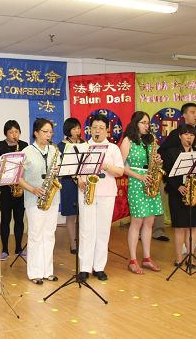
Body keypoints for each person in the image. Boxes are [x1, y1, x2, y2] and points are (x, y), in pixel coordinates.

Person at [77, 114, 124, 282]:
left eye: (101, 128)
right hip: (87, 192)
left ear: (107, 130)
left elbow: (120, 171)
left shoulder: (113, 149)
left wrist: (105, 165)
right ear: (89, 129)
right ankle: (84, 268)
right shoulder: (82, 147)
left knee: (103, 231)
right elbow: (75, 170)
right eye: (94, 128)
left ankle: (99, 267)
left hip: (106, 192)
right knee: (86, 230)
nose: (97, 131)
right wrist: (80, 181)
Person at [158, 102, 196, 252]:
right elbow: (165, 154)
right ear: (184, 115)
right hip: (178, 183)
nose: (195, 115)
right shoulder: (176, 134)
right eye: (192, 112)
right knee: (181, 221)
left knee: (195, 219)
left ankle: (195, 242)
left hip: (194, 181)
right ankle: (181, 245)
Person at [17, 118, 60, 285]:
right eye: (45, 132)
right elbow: (18, 178)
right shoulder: (26, 152)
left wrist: (57, 171)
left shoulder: (54, 150)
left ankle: (47, 271)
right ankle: (35, 272)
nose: (48, 135)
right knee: (35, 235)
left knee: (49, 234)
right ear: (36, 132)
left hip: (53, 197)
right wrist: (33, 189)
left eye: (50, 132)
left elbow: (61, 171)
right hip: (34, 198)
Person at [120, 112, 163, 274]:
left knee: (149, 222)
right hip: (137, 183)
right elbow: (121, 166)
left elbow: (153, 160)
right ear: (135, 123)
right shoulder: (127, 140)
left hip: (151, 181)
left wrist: (158, 160)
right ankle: (132, 260)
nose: (147, 125)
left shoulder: (150, 141)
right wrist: (139, 176)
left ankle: (146, 258)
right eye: (143, 122)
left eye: (148, 123)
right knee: (137, 222)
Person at [162, 125, 196, 267]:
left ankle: (191, 258)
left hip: (194, 192)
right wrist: (178, 186)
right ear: (180, 136)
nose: (189, 137)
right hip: (178, 193)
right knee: (180, 227)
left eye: (192, 135)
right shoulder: (171, 152)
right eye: (186, 134)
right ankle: (178, 259)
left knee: (194, 227)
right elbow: (167, 173)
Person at [0, 120, 28, 261]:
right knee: (6, 219)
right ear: (5, 133)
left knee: (19, 219)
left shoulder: (25, 146)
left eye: (16, 132)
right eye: (11, 132)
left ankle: (19, 248)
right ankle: (5, 249)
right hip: (5, 189)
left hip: (20, 187)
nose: (14, 135)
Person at [57, 118, 85, 255]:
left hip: (84, 182)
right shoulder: (60, 146)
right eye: (74, 128)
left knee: (84, 213)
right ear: (68, 130)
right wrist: (76, 178)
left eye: (78, 128)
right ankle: (73, 244)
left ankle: (84, 241)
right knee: (71, 215)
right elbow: (62, 167)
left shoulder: (84, 143)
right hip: (68, 182)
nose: (77, 131)